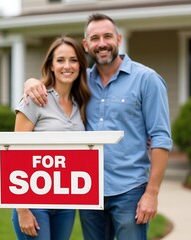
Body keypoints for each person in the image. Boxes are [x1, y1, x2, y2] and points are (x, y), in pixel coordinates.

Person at [23, 13, 173, 240]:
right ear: (86, 45)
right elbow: (53, 85)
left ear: (119, 39)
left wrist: (151, 194)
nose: (102, 43)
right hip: (88, 190)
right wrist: (31, 82)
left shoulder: (147, 79)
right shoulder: (81, 83)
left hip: (129, 190)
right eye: (95, 38)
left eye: (107, 36)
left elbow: (161, 137)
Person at [12, 36, 91, 240]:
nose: (67, 66)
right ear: (51, 65)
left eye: (73, 60)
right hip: (34, 203)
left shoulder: (80, 104)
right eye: (60, 60)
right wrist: (22, 210)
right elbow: (14, 155)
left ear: (81, 66)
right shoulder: (35, 99)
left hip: (66, 202)